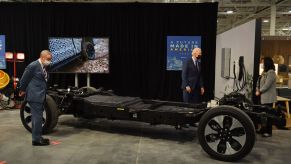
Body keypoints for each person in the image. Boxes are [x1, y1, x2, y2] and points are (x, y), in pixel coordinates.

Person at [19, 50, 52, 146]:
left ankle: (37, 137)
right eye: (48, 59)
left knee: (36, 118)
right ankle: (36, 140)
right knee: (37, 118)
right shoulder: (33, 65)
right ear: (42, 57)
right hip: (35, 96)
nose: (50, 61)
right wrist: (22, 89)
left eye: (50, 59)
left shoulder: (43, 66)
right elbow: (24, 78)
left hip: (40, 95)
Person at [256, 57, 277, 137]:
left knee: (268, 115)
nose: (262, 64)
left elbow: (267, 85)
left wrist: (259, 91)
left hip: (268, 98)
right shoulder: (265, 72)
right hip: (262, 96)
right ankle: (263, 129)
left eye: (263, 62)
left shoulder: (271, 72)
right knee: (262, 114)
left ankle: (268, 132)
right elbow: (259, 81)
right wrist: (257, 89)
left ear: (267, 63)